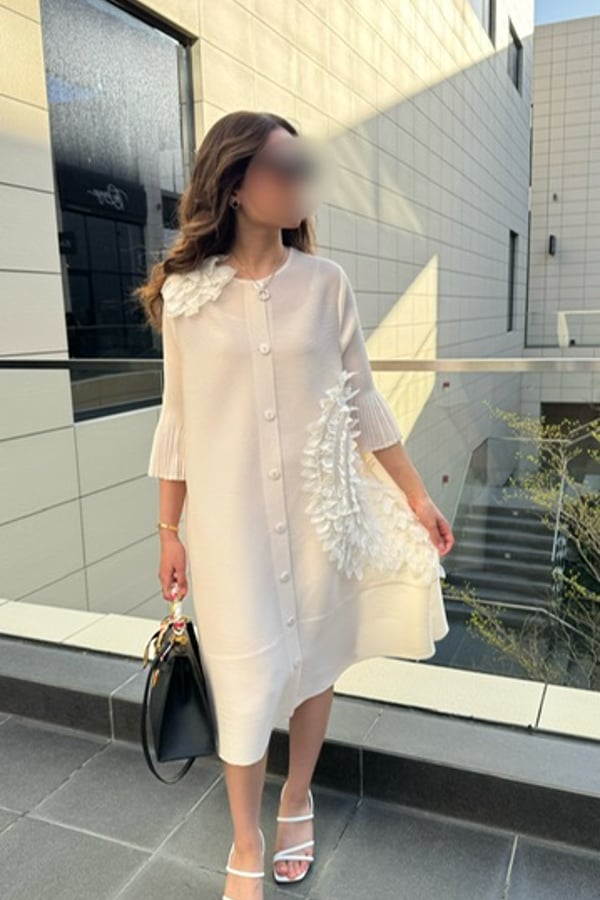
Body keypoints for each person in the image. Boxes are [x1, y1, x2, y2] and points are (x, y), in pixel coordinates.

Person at [134, 110, 454, 900]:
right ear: (236, 185)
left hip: (317, 523)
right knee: (242, 676)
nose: (301, 181)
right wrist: (168, 530)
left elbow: (364, 402)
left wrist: (416, 494)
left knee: (314, 664)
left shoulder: (326, 284)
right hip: (229, 530)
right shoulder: (186, 297)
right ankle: (245, 839)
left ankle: (297, 798)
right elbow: (178, 421)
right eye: (284, 167)